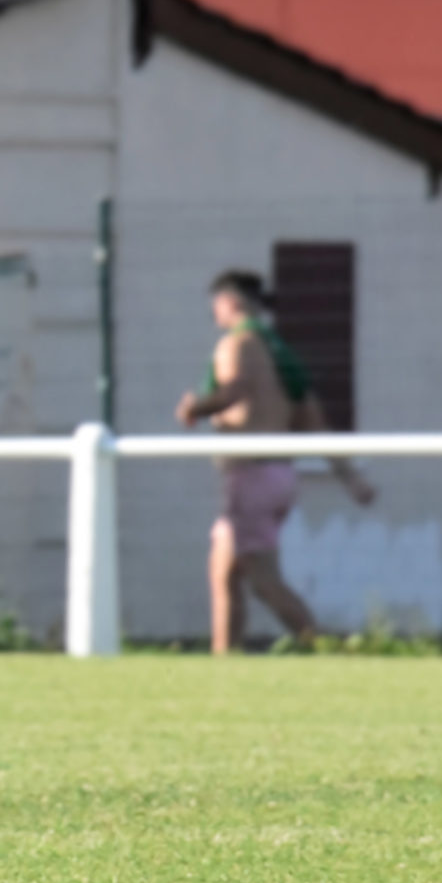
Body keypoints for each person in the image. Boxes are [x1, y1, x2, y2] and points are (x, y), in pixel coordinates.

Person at [177, 271, 375, 653]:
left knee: (263, 579)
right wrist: (350, 477)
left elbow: (234, 390)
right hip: (278, 475)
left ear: (230, 301)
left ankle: (326, 649)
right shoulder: (280, 353)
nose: (215, 313)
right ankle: (224, 660)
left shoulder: (238, 343)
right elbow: (313, 422)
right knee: (224, 572)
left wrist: (194, 407)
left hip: (251, 474)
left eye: (216, 304)